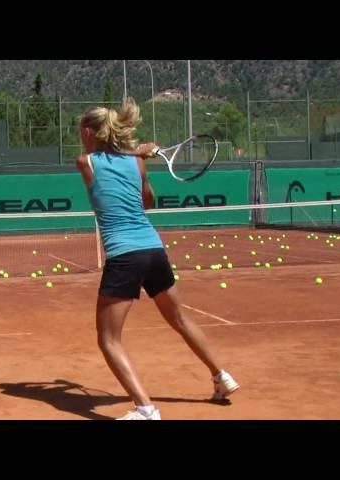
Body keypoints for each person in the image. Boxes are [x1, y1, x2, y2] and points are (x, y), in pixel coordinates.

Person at [76, 97, 239, 420]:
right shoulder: (136, 164)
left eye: (82, 131)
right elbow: (148, 202)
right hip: (153, 251)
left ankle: (146, 410)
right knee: (180, 319)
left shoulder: (87, 162)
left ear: (88, 132)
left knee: (108, 339)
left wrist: (138, 152)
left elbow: (98, 161)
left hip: (124, 256)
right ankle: (221, 376)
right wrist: (139, 155)